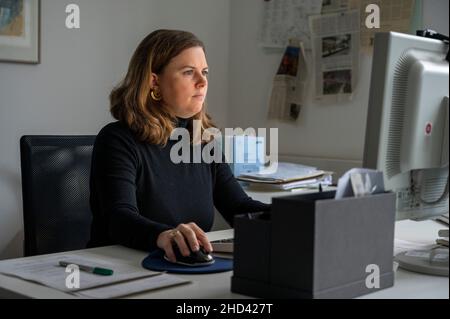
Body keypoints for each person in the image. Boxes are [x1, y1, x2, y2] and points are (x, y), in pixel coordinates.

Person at [88, 29, 270, 262]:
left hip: (183, 267)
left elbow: (238, 206)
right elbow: (119, 218)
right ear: (154, 81)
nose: (203, 82)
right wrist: (164, 235)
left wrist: (294, 214)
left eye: (204, 72)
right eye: (188, 72)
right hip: (121, 267)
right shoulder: (117, 140)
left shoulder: (203, 140)